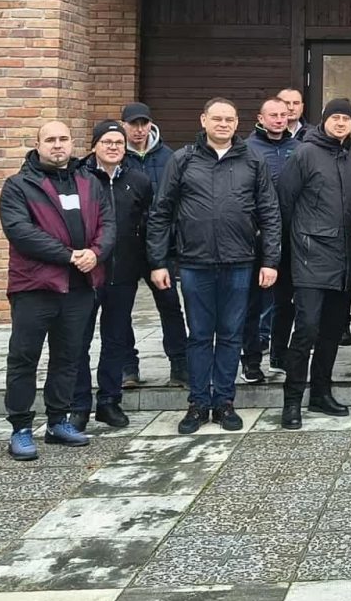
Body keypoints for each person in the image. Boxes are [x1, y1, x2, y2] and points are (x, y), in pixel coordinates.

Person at [147, 97, 281, 435]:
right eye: (217, 118)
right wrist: (158, 262)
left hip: (240, 262)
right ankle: (198, 402)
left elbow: (270, 213)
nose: (223, 124)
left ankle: (224, 401)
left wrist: (270, 260)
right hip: (195, 263)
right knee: (200, 335)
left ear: (238, 123)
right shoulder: (182, 159)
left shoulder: (253, 160)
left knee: (232, 334)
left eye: (229, 119)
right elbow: (161, 212)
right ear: (203, 120)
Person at [0, 120, 114, 460]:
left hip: (79, 287)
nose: (58, 145)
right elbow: (20, 232)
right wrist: (69, 255)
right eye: (50, 139)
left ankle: (57, 421)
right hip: (35, 286)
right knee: (24, 357)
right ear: (37, 145)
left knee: (68, 356)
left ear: (72, 143)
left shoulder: (89, 183)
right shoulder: (19, 185)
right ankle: (20, 428)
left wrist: (95, 253)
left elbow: (108, 224)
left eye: (63, 139)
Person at [276, 98, 351, 427]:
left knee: (332, 330)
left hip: (345, 258)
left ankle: (321, 393)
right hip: (310, 255)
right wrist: (293, 248)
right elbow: (285, 203)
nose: (341, 123)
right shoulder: (305, 153)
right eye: (335, 117)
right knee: (307, 329)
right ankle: (292, 400)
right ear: (324, 120)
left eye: (346, 119)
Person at [74, 120, 153, 431]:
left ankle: (109, 401)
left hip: (123, 272)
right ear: (94, 145)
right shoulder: (78, 177)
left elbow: (148, 222)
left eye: (118, 143)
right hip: (85, 274)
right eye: (106, 142)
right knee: (78, 341)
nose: (113, 147)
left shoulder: (138, 180)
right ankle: (79, 405)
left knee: (115, 339)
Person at [120, 101, 187, 388]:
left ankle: (180, 366)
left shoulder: (169, 157)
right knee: (120, 309)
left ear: (150, 124)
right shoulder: (115, 155)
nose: (139, 130)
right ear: (123, 126)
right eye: (133, 124)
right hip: (124, 246)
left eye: (143, 123)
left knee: (170, 306)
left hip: (161, 246)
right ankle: (127, 368)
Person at [245, 97, 299, 384]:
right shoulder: (247, 149)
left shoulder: (298, 148)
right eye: (273, 115)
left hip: (290, 236)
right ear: (261, 118)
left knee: (285, 301)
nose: (279, 119)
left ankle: (279, 354)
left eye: (283, 115)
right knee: (253, 303)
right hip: (256, 237)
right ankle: (251, 361)